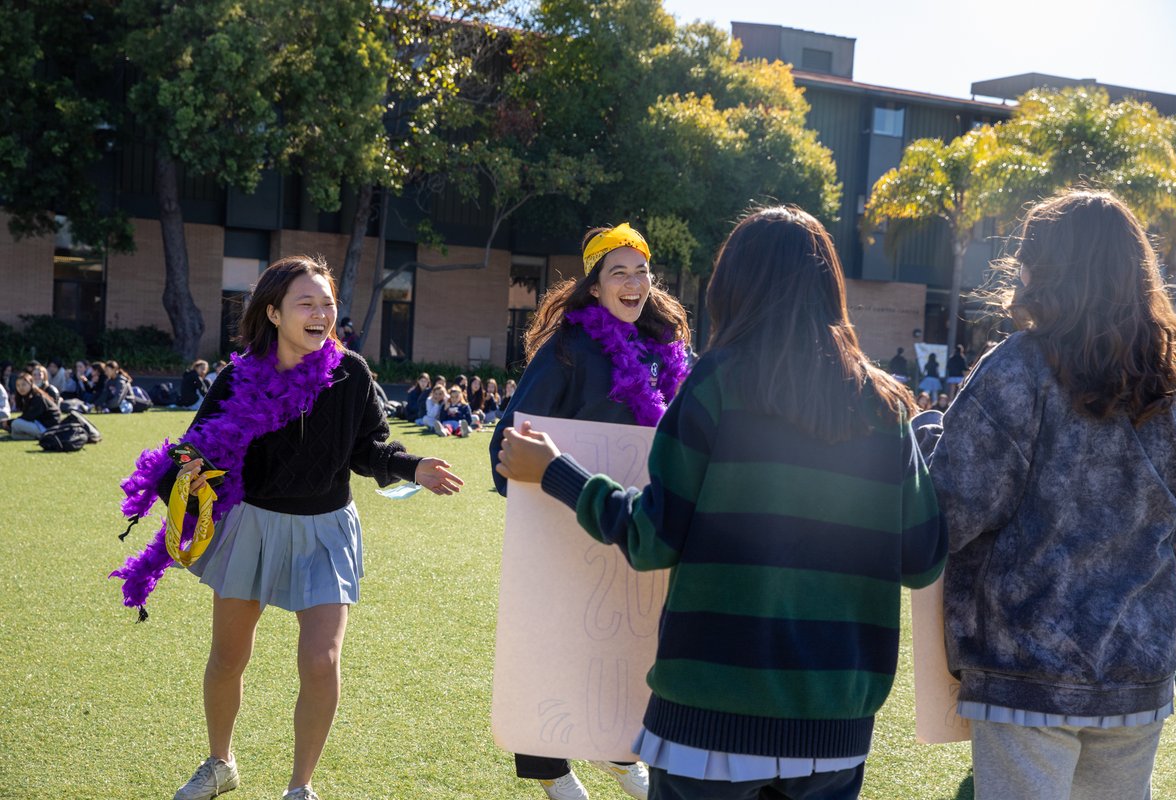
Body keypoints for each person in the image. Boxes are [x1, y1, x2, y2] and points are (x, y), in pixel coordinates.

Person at [497, 206, 945, 800]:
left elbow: (651, 537)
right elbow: (923, 560)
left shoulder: (714, 385)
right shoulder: (885, 405)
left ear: (734, 284)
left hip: (706, 721)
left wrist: (558, 473)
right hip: (835, 730)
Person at [110, 255, 464, 800]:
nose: (322, 313)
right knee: (229, 656)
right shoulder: (237, 377)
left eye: (328, 304)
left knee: (321, 661)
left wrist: (410, 465)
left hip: (326, 529)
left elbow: (370, 447)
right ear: (273, 313)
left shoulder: (351, 374)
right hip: (252, 525)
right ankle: (220, 762)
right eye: (308, 303)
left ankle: (300, 787)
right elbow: (198, 451)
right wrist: (178, 475)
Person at [927, 191, 1176, 800]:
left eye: (1026, 252)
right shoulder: (1174, 381)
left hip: (1023, 670)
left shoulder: (1018, 369)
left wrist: (929, 443)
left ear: (1049, 269)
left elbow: (945, 511)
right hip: (1138, 669)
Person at [490, 222, 690, 800]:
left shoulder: (669, 353)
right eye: (617, 272)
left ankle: (619, 748)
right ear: (595, 286)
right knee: (552, 642)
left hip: (634, 520)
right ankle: (551, 770)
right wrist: (528, 490)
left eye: (642, 272)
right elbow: (511, 438)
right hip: (561, 519)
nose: (632, 283)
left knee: (629, 643)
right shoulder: (567, 352)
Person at [1, 371, 61, 439]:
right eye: (18, 385)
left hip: (48, 429)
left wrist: (9, 422)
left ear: (31, 384)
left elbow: (28, 417)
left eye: (24, 384)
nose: (21, 387)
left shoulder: (38, 397)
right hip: (38, 425)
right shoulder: (27, 398)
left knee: (16, 424)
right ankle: (34, 437)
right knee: (14, 433)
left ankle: (41, 436)